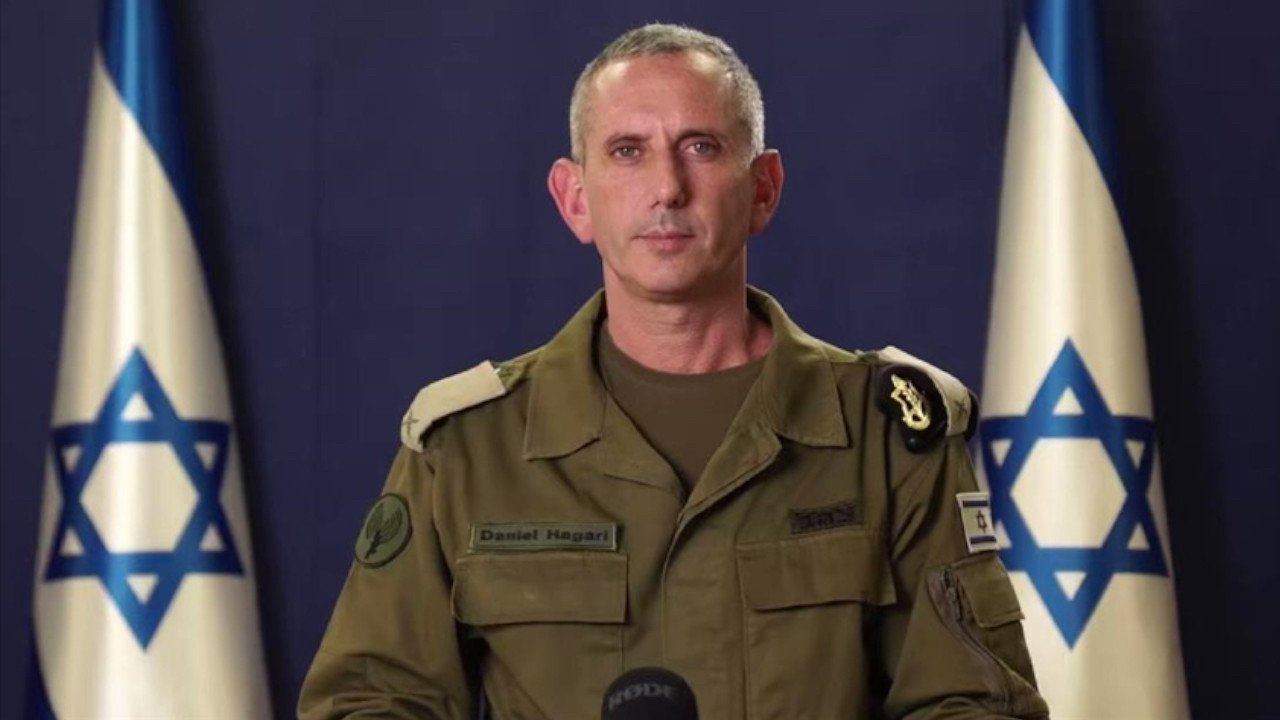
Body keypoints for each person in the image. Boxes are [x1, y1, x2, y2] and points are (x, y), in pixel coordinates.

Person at [298, 23, 1048, 720]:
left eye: (701, 147)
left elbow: (972, 704)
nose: (666, 187)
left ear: (763, 189)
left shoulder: (887, 440)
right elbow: (371, 703)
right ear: (575, 198)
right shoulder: (466, 450)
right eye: (628, 151)